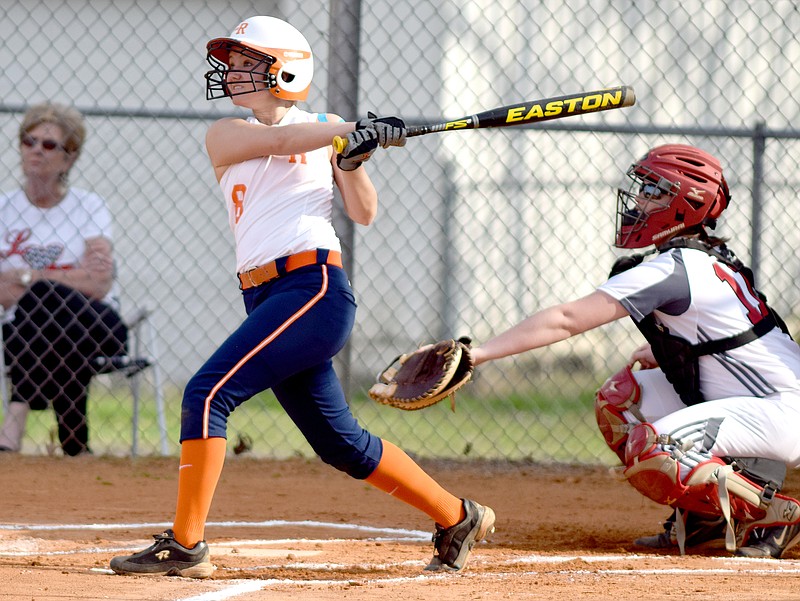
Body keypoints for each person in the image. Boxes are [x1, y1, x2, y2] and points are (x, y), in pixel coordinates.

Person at [110, 15, 494, 578]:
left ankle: (187, 545)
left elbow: (364, 212)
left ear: (284, 72)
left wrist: (353, 158)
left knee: (207, 393)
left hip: (312, 289)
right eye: (233, 63)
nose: (232, 72)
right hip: (263, 298)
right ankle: (457, 516)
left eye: (247, 63)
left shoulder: (329, 131)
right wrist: (346, 131)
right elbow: (285, 139)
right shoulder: (227, 133)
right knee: (339, 443)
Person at [465, 144, 800, 559]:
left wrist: (478, 354)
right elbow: (732, 340)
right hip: (761, 403)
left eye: (653, 191)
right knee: (620, 399)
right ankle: (706, 522)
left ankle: (778, 512)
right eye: (643, 188)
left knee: (655, 449)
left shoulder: (675, 268)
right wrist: (672, 352)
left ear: (684, 205)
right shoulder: (705, 260)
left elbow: (568, 319)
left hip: (780, 411)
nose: (639, 200)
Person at [0, 102, 128, 457]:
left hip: (98, 324)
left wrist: (27, 276)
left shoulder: (87, 207)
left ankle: (17, 414)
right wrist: (71, 276)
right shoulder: (3, 209)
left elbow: (99, 284)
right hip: (44, 336)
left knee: (41, 294)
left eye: (50, 144)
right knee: (53, 322)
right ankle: (75, 444)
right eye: (29, 141)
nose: (37, 149)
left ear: (69, 158)